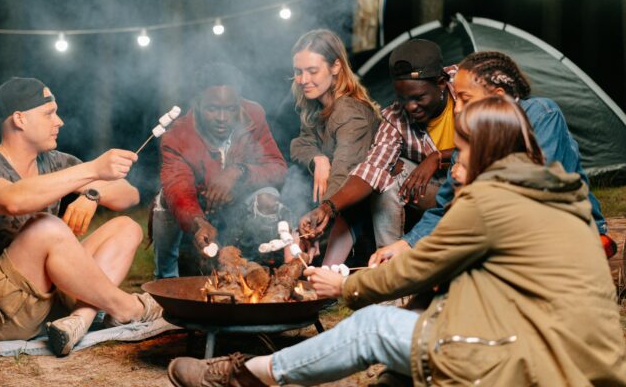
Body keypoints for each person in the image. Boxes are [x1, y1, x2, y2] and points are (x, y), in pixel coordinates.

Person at [166, 95, 626, 387]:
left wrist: (343, 286)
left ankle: (243, 376)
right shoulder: (554, 197)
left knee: (374, 329)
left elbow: (419, 267)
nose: (451, 165)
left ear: (490, 152)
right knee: (421, 322)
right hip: (579, 364)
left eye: (460, 153)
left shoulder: (493, 200)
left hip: (536, 364)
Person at [0, 77, 162, 357]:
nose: (59, 121)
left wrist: (92, 193)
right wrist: (92, 169)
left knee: (126, 228)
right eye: (49, 113)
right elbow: (13, 200)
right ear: (20, 119)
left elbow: (129, 195)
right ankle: (127, 307)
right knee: (47, 225)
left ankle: (79, 321)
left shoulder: (54, 162)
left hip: (47, 300)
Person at [369, 51, 617, 265]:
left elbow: (536, 188)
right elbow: (447, 206)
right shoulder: (473, 131)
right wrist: (407, 244)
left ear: (498, 96)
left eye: (465, 99)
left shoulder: (541, 115)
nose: (457, 109)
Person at [299, 39, 456, 258]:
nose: (410, 107)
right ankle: (388, 265)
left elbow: (496, 140)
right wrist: (327, 208)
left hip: (476, 186)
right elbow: (372, 170)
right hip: (433, 190)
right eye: (402, 98)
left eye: (419, 97)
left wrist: (438, 157)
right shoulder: (394, 117)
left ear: (440, 83)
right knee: (390, 172)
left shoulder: (469, 87)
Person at [152, 63, 288, 278]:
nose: (222, 118)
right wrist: (198, 223)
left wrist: (238, 172)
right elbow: (177, 187)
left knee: (269, 197)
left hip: (237, 203)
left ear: (239, 103)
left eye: (230, 108)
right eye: (212, 109)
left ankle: (253, 269)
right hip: (199, 213)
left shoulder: (254, 115)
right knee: (163, 199)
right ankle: (165, 278)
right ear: (197, 103)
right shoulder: (177, 135)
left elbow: (278, 168)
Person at [284, 29, 381, 265]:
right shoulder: (315, 104)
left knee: (311, 264)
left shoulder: (350, 112)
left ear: (336, 66)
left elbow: (345, 173)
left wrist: (320, 219)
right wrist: (318, 159)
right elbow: (300, 144)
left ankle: (327, 279)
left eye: (312, 71)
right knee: (292, 244)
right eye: (299, 72)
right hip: (334, 202)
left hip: (362, 206)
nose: (303, 80)